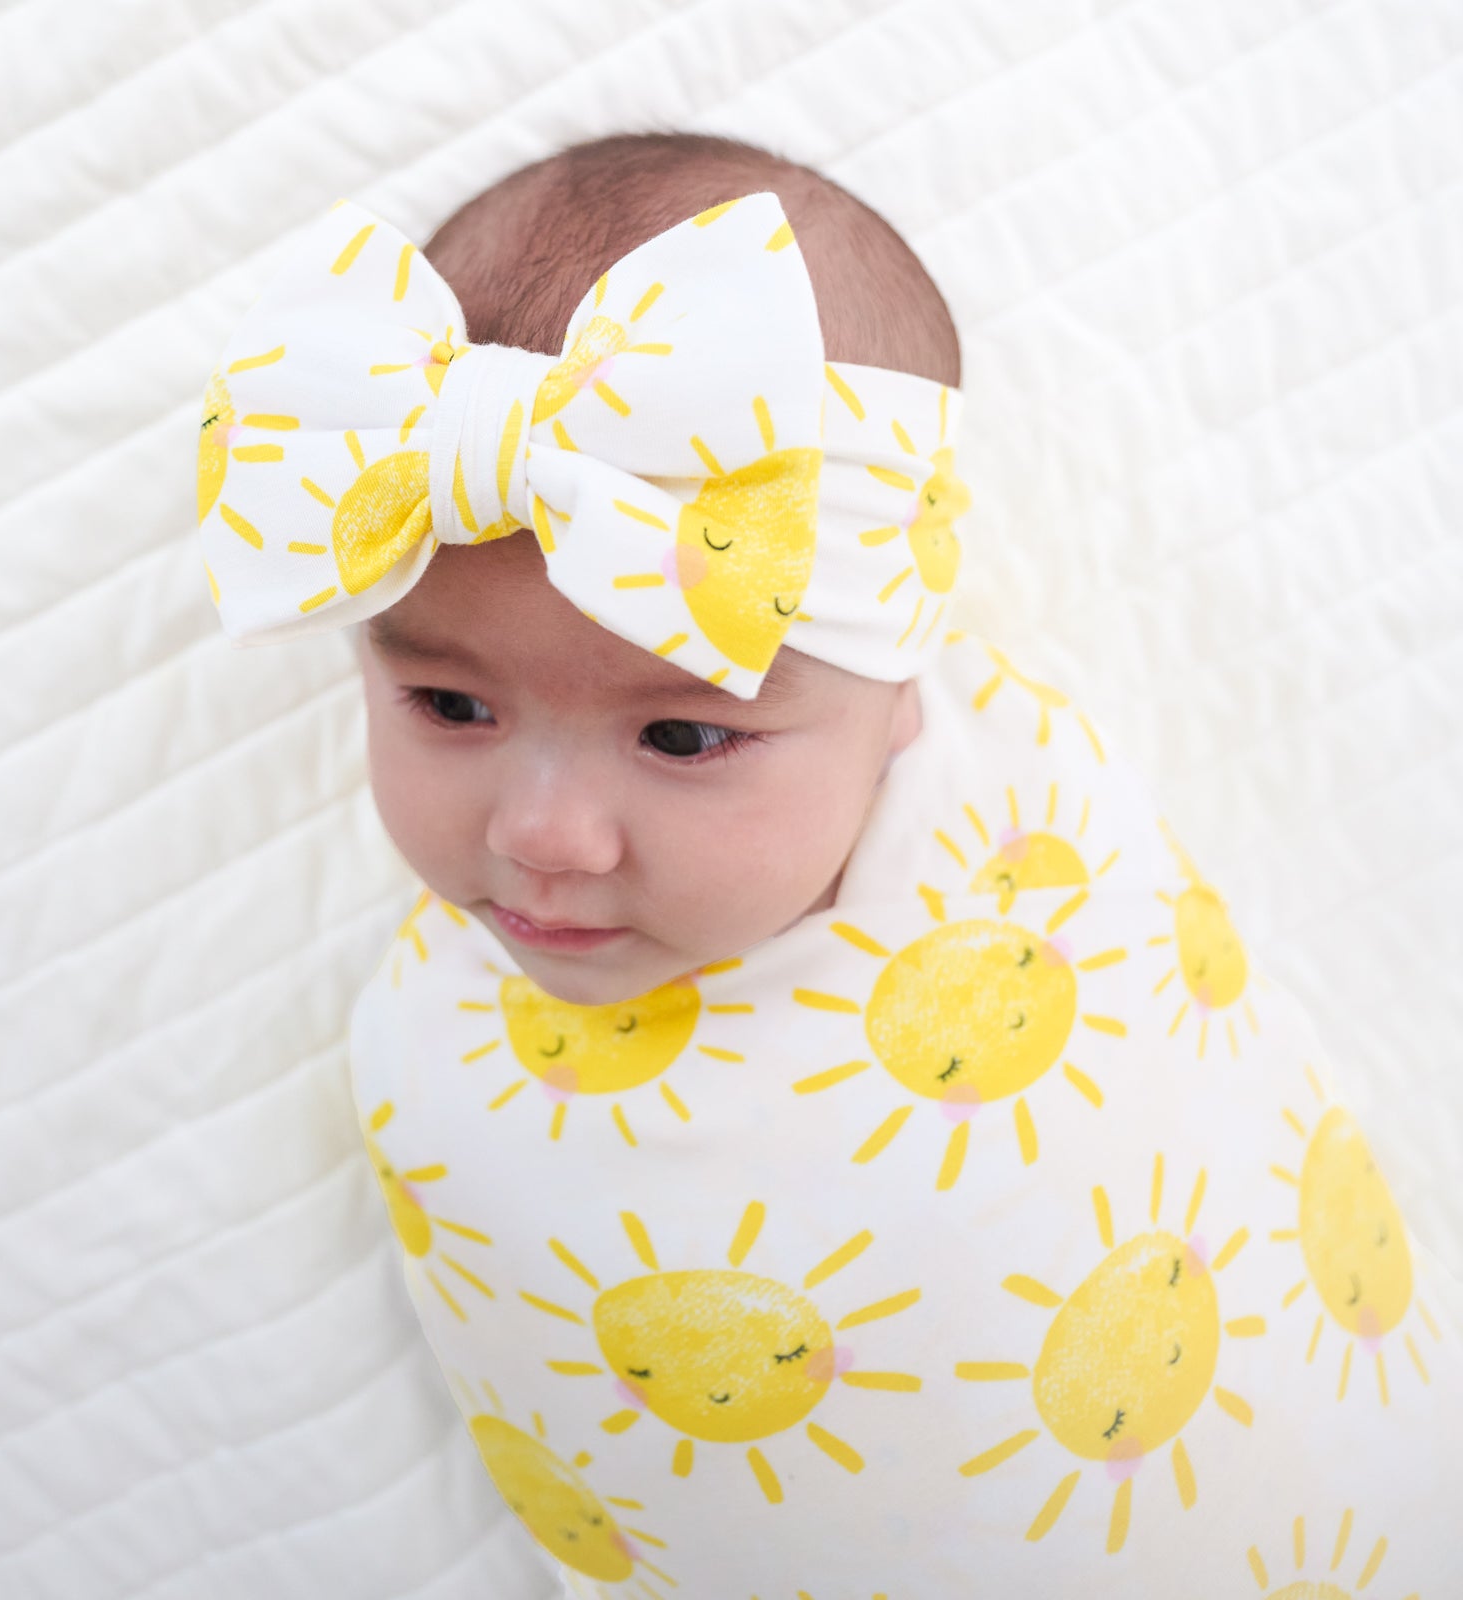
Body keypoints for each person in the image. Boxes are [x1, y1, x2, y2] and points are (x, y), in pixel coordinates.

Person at [198, 131, 1460, 1597]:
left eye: (680, 735)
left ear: (895, 686)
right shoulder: (443, 1050)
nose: (541, 832)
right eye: (451, 707)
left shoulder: (1027, 831)